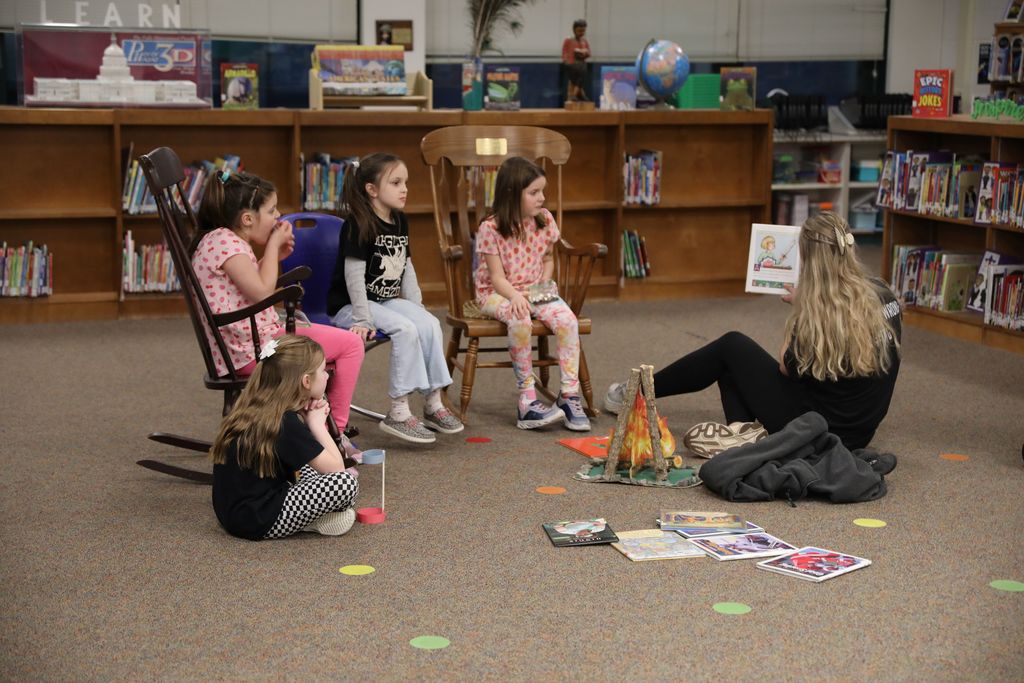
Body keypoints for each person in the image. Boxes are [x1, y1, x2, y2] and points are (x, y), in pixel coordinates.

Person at [605, 211, 902, 454]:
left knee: (731, 348)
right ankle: (743, 435)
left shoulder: (820, 312)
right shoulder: (883, 294)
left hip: (815, 431)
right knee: (736, 366)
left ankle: (640, 391)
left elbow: (787, 366)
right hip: (858, 434)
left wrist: (801, 307)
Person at [192, 169, 366, 458]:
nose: (278, 216)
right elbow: (261, 293)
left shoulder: (222, 240)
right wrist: (272, 247)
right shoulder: (227, 244)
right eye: (271, 210)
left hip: (251, 342)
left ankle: (313, 426)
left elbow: (250, 287)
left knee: (331, 350)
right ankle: (333, 433)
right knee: (351, 345)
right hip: (257, 351)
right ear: (248, 219)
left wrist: (272, 257)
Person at [327, 153, 463, 444]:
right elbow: (353, 277)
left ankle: (433, 402)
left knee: (428, 324)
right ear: (372, 189)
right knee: (406, 329)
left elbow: (406, 266)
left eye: (406, 183)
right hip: (351, 307)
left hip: (385, 301)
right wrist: (362, 318)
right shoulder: (357, 224)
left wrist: (418, 308)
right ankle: (399, 411)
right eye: (396, 182)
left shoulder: (399, 220)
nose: (404, 189)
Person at [474, 156, 590, 431]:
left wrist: (542, 286)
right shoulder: (490, 228)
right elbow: (496, 277)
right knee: (520, 320)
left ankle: (569, 395)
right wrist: (515, 297)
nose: (542, 198)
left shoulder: (544, 219)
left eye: (543, 191)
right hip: (497, 292)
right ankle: (527, 401)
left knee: (567, 321)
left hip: (535, 288)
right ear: (512, 194)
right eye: (534, 192)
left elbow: (549, 259)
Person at [210, 335, 359, 540]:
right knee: (346, 485)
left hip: (231, 513)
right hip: (259, 520)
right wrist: (316, 425)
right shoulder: (285, 423)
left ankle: (309, 515)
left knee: (309, 464)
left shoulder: (258, 407)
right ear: (306, 381)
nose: (327, 376)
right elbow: (337, 470)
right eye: (323, 371)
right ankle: (308, 520)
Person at [561, 19, 590, 103]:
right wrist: (566, 61)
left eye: (583, 31)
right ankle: (573, 95)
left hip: (581, 64)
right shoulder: (568, 40)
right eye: (579, 30)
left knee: (580, 78)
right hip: (572, 64)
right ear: (574, 29)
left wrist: (584, 53)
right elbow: (564, 52)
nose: (581, 33)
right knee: (575, 80)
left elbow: (588, 52)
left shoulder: (584, 41)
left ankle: (577, 95)